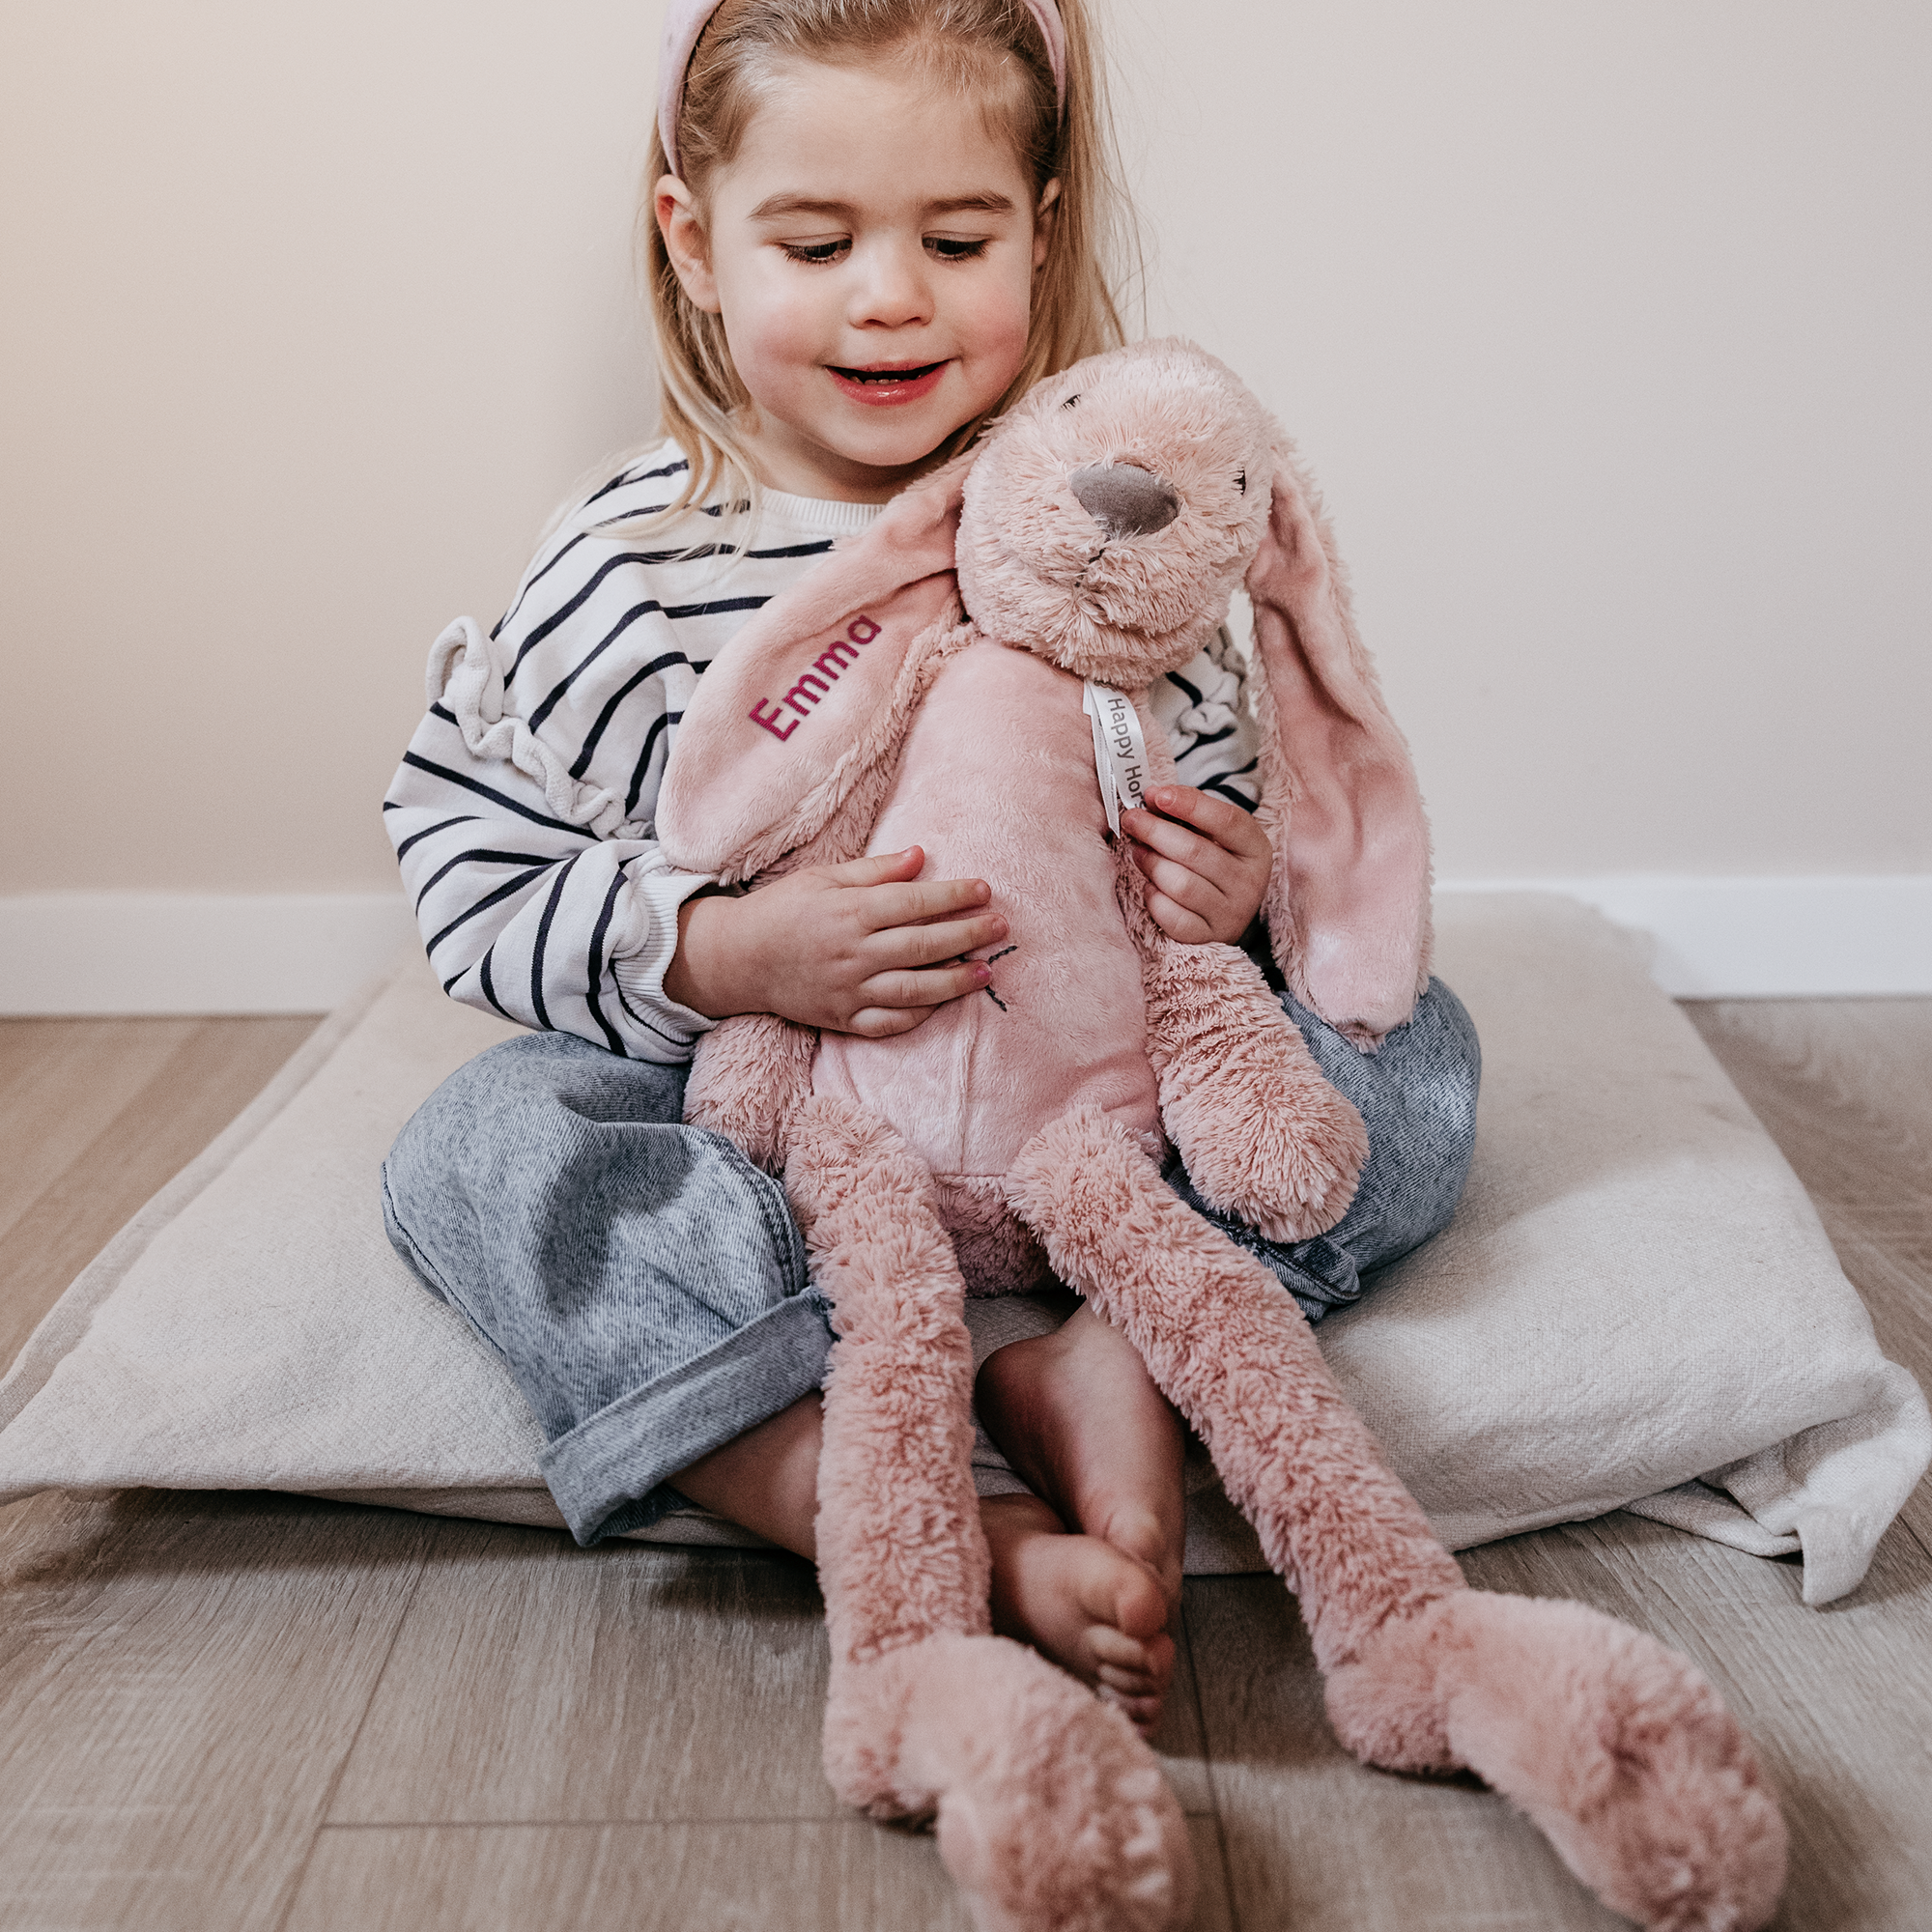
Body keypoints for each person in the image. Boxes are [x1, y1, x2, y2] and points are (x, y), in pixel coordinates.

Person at [381, 0, 1478, 1736]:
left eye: (954, 238)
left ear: (1039, 230)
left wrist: (1235, 882)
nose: (887, 293)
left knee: (1415, 1042)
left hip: (1087, 1131)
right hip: (781, 1132)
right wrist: (724, 952)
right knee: (477, 1149)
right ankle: (855, 1487)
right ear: (695, 237)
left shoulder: (1110, 516)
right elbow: (465, 856)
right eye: (814, 241)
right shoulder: (642, 560)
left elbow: (1224, 828)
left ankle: (1112, 1347)